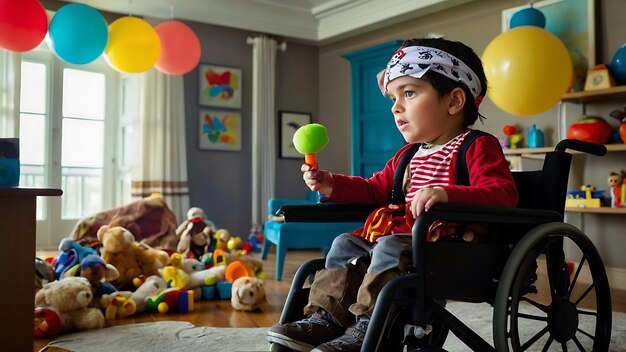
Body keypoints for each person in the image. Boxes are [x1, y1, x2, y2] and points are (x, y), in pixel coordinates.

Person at [267, 37, 519, 352]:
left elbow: (503, 194)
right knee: (345, 243)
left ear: (455, 101)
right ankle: (328, 319)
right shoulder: (407, 156)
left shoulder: (477, 146)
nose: (396, 107)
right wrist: (330, 183)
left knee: (387, 247)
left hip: (447, 248)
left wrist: (446, 193)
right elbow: (375, 188)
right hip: (399, 242)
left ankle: (369, 326)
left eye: (409, 93)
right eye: (393, 97)